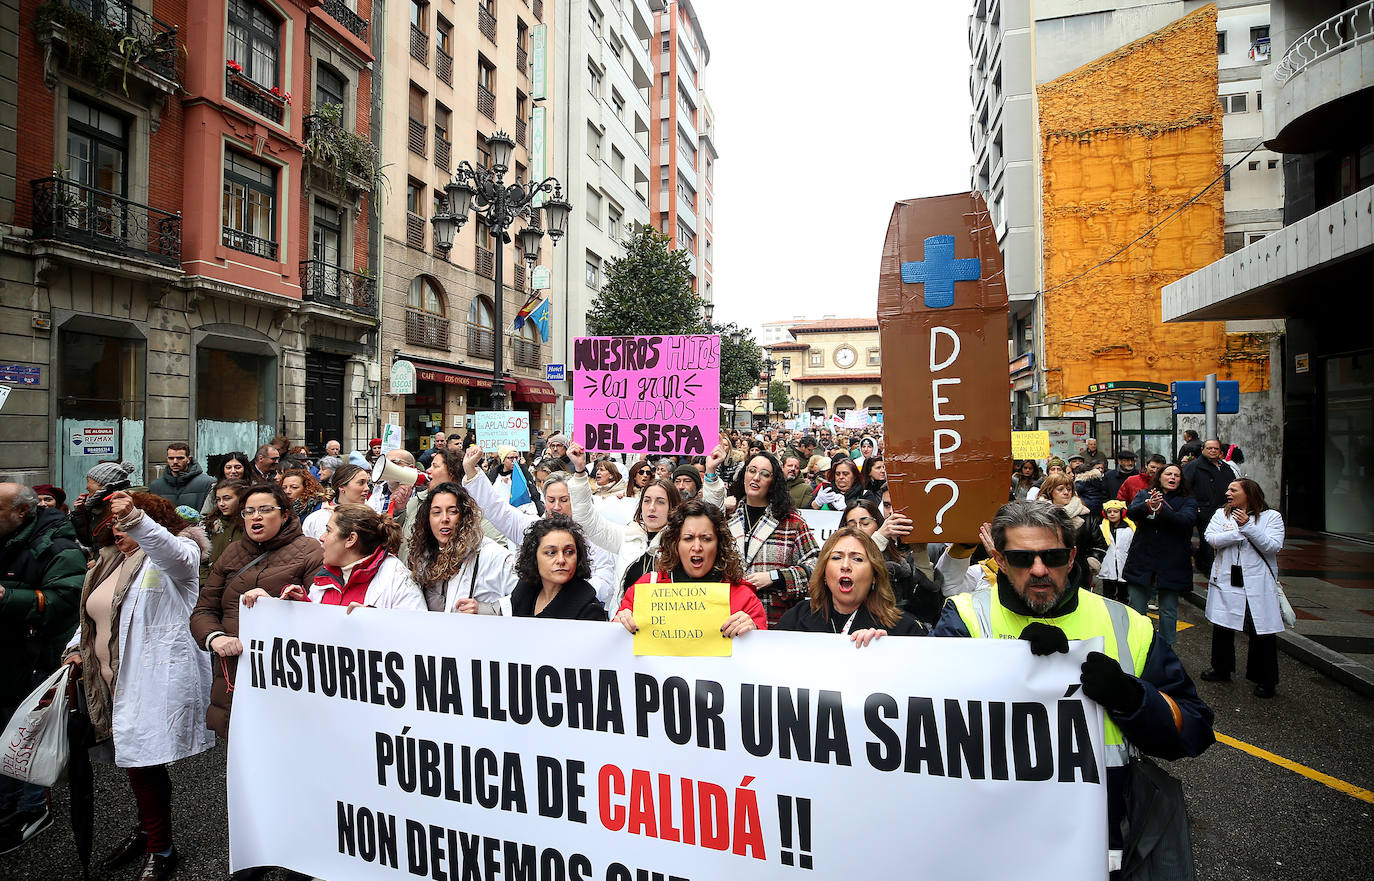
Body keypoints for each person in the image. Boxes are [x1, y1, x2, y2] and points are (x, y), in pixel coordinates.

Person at [934, 501, 1214, 872]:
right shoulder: (966, 618)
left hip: (1099, 846)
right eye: (1021, 558)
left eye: (1052, 556)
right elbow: (924, 719)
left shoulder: (1127, 624)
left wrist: (1130, 696)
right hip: (991, 840)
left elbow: (1193, 729)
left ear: (1072, 557)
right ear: (999, 561)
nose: (1038, 570)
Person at [60, 490, 213, 881]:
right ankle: (148, 829)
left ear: (152, 521)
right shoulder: (114, 563)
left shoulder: (179, 554)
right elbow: (95, 615)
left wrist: (136, 519)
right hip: (108, 679)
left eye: (124, 524)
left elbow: (171, 553)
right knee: (132, 762)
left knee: (143, 762)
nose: (116, 531)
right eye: (114, 525)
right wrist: (75, 650)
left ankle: (161, 848)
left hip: (150, 677)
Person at [190, 483, 324, 738]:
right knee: (240, 759)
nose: (256, 517)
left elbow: (322, 614)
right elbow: (204, 609)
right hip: (233, 673)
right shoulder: (232, 552)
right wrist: (215, 638)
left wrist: (274, 604)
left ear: (285, 514)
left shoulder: (310, 550)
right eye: (249, 511)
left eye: (265, 509)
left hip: (285, 676)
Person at [0, 484, 86, 854]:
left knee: (27, 730)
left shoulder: (58, 547)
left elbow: (63, 600)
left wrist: (6, 597)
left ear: (21, 513)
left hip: (34, 654)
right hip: (6, 653)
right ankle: (7, 803)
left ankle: (33, 808)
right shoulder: (9, 540)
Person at [566, 438, 728, 610]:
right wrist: (579, 471)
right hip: (623, 625)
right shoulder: (626, 536)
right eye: (647, 501)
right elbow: (586, 520)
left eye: (660, 502)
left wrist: (710, 473)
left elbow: (712, 519)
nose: (651, 508)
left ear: (672, 506)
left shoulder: (684, 541)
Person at [461, 446, 616, 607]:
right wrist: (470, 470)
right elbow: (497, 508)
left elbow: (605, 578)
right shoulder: (532, 528)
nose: (556, 507)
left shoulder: (593, 534)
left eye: (563, 500)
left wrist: (571, 597)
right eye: (551, 500)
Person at [613, 499, 767, 636]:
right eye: (688, 538)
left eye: (706, 539)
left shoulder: (744, 598)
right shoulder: (645, 589)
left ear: (719, 545)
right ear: (675, 544)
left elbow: (760, 657)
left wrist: (753, 633)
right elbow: (615, 648)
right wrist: (620, 625)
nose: (697, 547)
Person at [245, 504, 425, 612]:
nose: (322, 537)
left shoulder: (398, 577)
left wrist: (376, 623)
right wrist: (281, 607)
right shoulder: (325, 577)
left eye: (329, 530)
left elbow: (415, 634)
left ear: (351, 539)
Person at [1200, 479, 1285, 698]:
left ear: (1248, 493)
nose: (1227, 492)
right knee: (1222, 624)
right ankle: (1221, 668)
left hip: (1258, 582)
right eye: (1228, 489)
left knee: (1262, 631)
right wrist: (1238, 533)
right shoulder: (1222, 514)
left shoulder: (1271, 517)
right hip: (1228, 579)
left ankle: (1265, 679)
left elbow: (1272, 546)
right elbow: (1211, 539)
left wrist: (1248, 527)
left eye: (1233, 490)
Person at [775, 526, 924, 641]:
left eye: (857, 559)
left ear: (874, 575)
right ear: (824, 573)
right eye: (836, 558)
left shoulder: (904, 629)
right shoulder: (797, 618)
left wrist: (885, 650)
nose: (845, 565)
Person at [727, 451, 820, 626]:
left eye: (764, 474)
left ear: (773, 482)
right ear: (744, 475)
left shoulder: (792, 522)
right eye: (751, 470)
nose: (756, 478)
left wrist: (775, 577)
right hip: (730, 621)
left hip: (775, 623)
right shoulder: (726, 519)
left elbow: (817, 568)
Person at [407, 482, 518, 613]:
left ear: (465, 516)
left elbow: (526, 598)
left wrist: (486, 609)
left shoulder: (492, 555)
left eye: (453, 511)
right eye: (436, 512)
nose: (444, 519)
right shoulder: (423, 557)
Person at [1123, 464, 1199, 646]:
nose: (1173, 478)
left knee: (1168, 610)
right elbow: (1131, 513)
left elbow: (1185, 520)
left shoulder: (1188, 500)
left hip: (1172, 563)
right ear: (1160, 477)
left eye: (1177, 475)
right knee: (1136, 609)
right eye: (1168, 474)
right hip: (1142, 560)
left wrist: (1160, 509)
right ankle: (1138, 646)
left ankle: (1166, 650)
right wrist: (1149, 506)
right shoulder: (1144, 495)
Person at [507, 516, 607, 620]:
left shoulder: (589, 610)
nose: (561, 560)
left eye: (569, 552)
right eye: (551, 553)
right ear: (534, 556)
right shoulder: (524, 590)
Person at [1038, 473, 1107, 573]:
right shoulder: (1038, 516)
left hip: (1077, 572)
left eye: (1069, 489)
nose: (1066, 492)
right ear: (1049, 491)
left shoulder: (1085, 515)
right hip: (1045, 571)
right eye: (1060, 489)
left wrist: (1091, 562)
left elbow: (1099, 545)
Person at [1184, 440, 1231, 575]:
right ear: (1203, 449)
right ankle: (1206, 567)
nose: (1213, 451)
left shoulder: (1225, 467)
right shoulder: (1194, 466)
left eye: (1216, 448)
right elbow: (1185, 487)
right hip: (1203, 510)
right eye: (1209, 448)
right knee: (1207, 541)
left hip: (1223, 510)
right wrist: (1194, 504)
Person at [303, 464, 371, 541]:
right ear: (342, 487)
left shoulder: (371, 516)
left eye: (367, 483)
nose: (367, 488)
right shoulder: (319, 518)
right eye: (361, 483)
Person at [147, 443, 215, 510]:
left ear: (188, 459)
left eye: (180, 458)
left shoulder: (207, 483)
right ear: (167, 459)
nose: (175, 461)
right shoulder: (155, 486)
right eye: (171, 458)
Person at [203, 479, 249, 580]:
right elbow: (203, 559)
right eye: (218, 499)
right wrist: (204, 582)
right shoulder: (211, 524)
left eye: (227, 498)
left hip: (241, 582)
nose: (221, 504)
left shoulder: (250, 524)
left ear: (241, 498)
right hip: (212, 583)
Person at [1097, 500, 1135, 604]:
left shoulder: (1129, 529)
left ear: (1122, 513)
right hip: (1108, 567)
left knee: (1124, 596)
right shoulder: (1101, 528)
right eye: (1109, 512)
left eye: (1115, 511)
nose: (1112, 514)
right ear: (1105, 514)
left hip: (1124, 567)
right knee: (1108, 596)